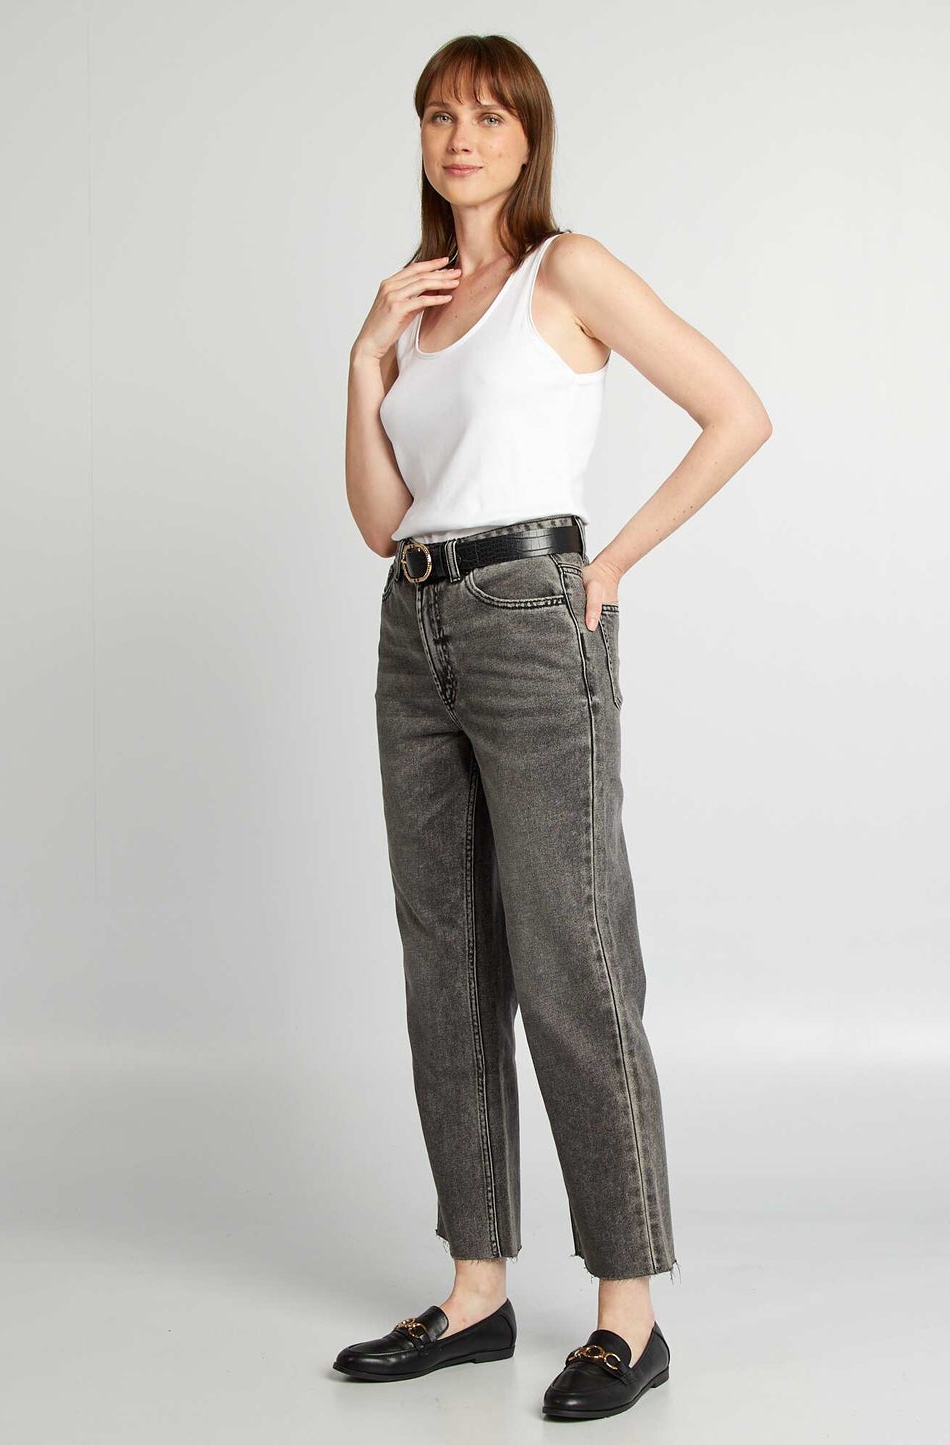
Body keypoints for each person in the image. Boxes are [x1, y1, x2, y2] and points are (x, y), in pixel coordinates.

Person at [336, 34, 772, 1422]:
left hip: (531, 618)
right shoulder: (417, 307)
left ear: (528, 137)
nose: (459, 136)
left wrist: (612, 561)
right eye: (437, 115)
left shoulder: (565, 271)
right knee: (445, 962)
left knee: (571, 960)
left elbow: (735, 412)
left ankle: (626, 1316)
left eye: (486, 114)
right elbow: (378, 521)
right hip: (415, 621)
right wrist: (364, 360)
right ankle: (475, 1293)